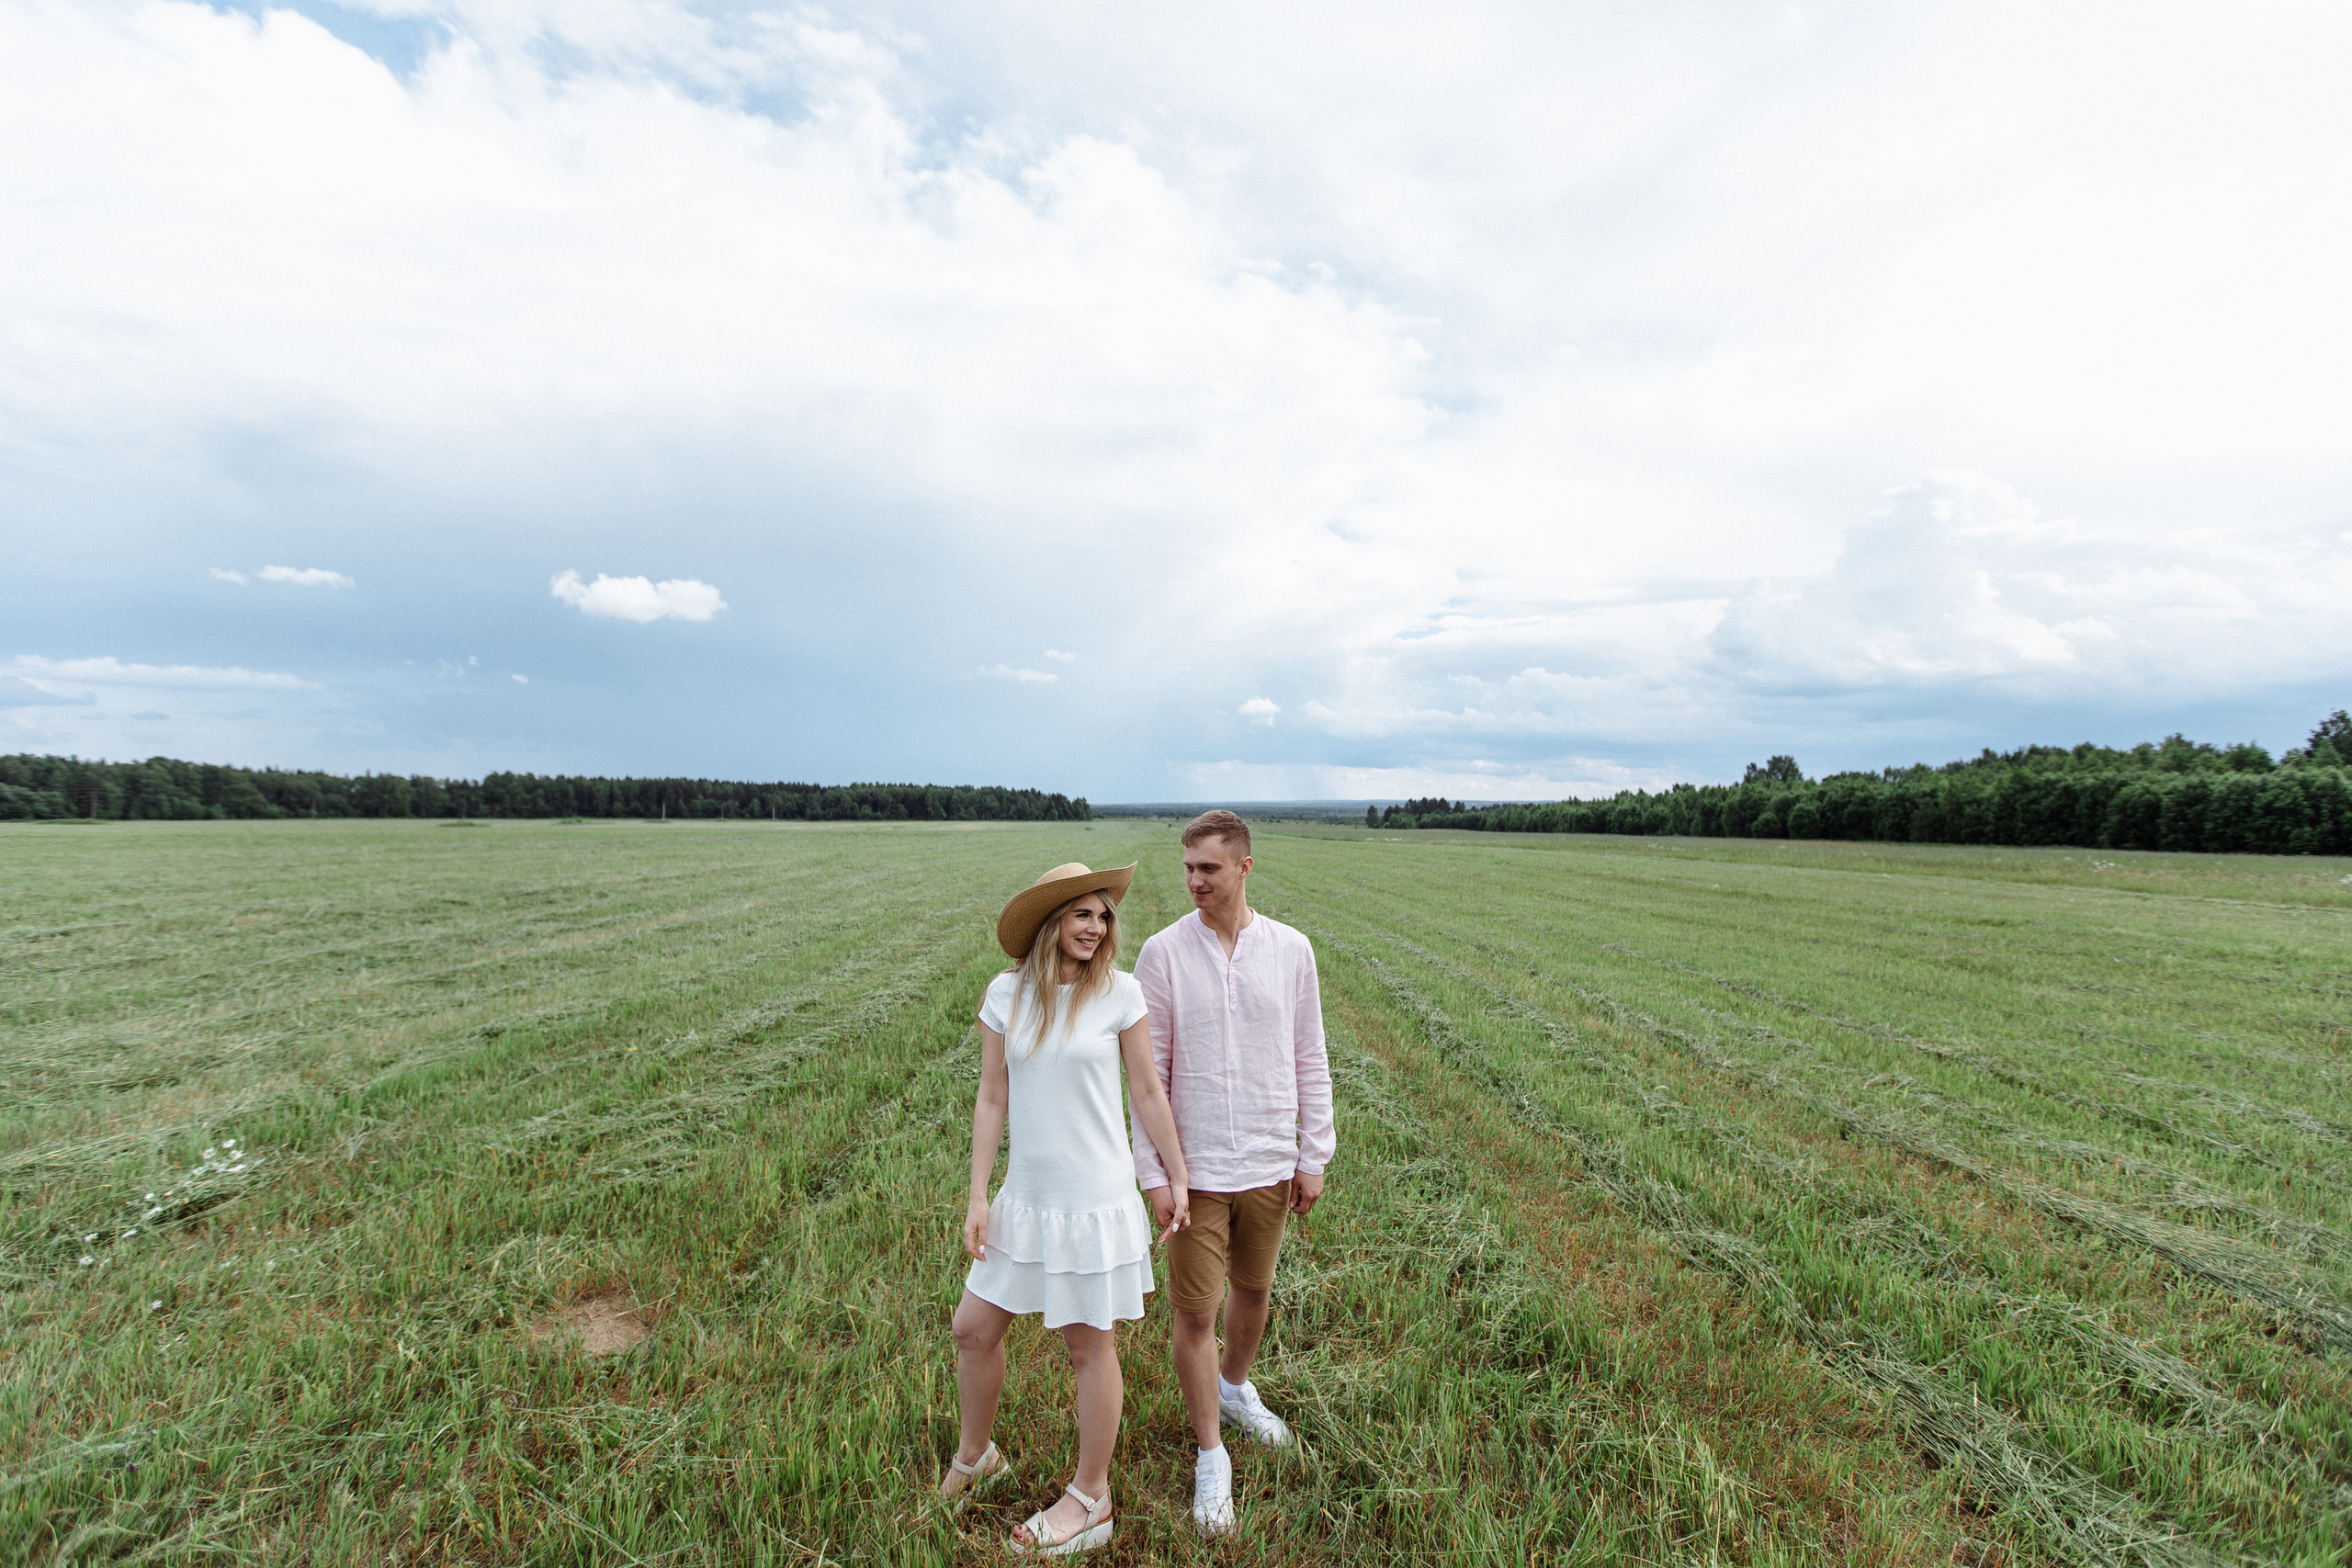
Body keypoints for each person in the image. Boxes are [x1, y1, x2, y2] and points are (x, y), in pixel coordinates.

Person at [939, 861, 1191, 1556]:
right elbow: (993, 1097)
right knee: (972, 1328)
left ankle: (1091, 1495)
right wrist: (978, 1195)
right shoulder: (1006, 994)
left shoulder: (1120, 993)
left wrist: (1176, 1175)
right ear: (1053, 919)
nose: (1096, 926)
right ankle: (977, 1455)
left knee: (1088, 1345)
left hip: (1092, 1202)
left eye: (1103, 914)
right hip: (1025, 1199)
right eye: (1083, 913)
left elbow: (1146, 1093)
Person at [1130, 810, 1335, 1538]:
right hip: (1196, 1171)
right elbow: (1148, 1074)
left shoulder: (1292, 950)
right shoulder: (1161, 954)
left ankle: (1237, 1387)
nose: (1193, 881)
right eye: (1187, 867)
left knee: (1255, 1290)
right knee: (1193, 1313)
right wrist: (1155, 1173)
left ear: (1244, 865)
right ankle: (1211, 1454)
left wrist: (1313, 1154)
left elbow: (1309, 1052)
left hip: (1271, 1160)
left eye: (1207, 868)